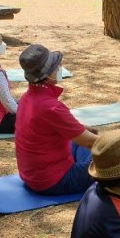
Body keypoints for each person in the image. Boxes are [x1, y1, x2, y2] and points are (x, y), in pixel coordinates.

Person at [15, 44, 98, 195]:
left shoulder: (27, 99)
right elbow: (92, 142)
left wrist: (83, 129)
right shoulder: (51, 107)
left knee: (83, 142)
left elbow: (46, 127)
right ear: (48, 74)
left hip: (32, 176)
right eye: (57, 66)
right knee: (111, 159)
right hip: (53, 181)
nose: (60, 68)